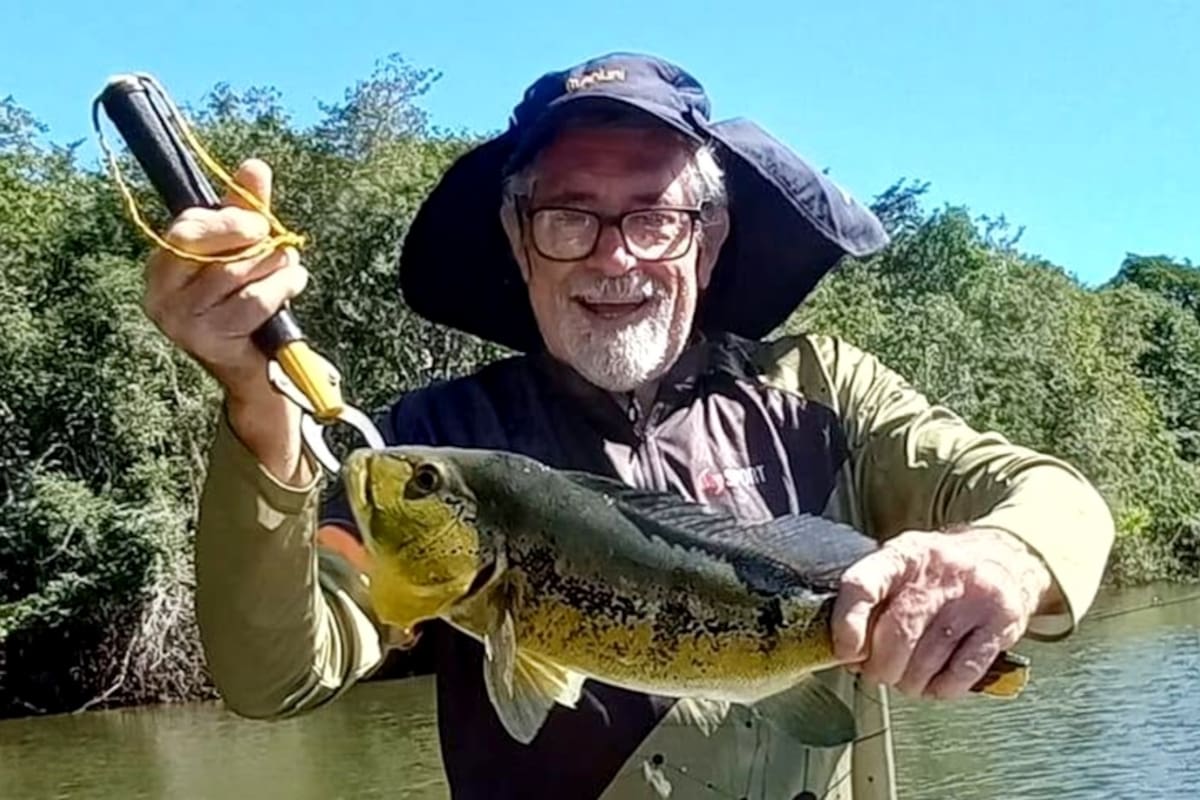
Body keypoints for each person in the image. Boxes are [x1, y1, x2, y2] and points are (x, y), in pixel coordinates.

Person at [144, 53, 1114, 799]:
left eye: (652, 217)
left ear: (710, 235)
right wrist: (257, 402)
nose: (615, 259)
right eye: (570, 218)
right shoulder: (427, 453)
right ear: (521, 242)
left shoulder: (824, 389)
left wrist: (1004, 554)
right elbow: (276, 676)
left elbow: (1051, 495)